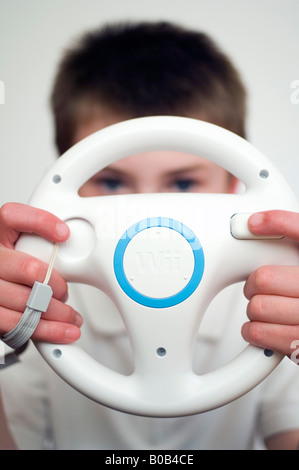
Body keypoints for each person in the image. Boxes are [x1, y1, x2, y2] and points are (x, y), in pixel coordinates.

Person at [1, 21, 299, 450]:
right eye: (111, 182)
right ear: (67, 188)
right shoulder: (35, 301)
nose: (149, 218)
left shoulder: (277, 303)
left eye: (182, 185)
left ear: (236, 188)